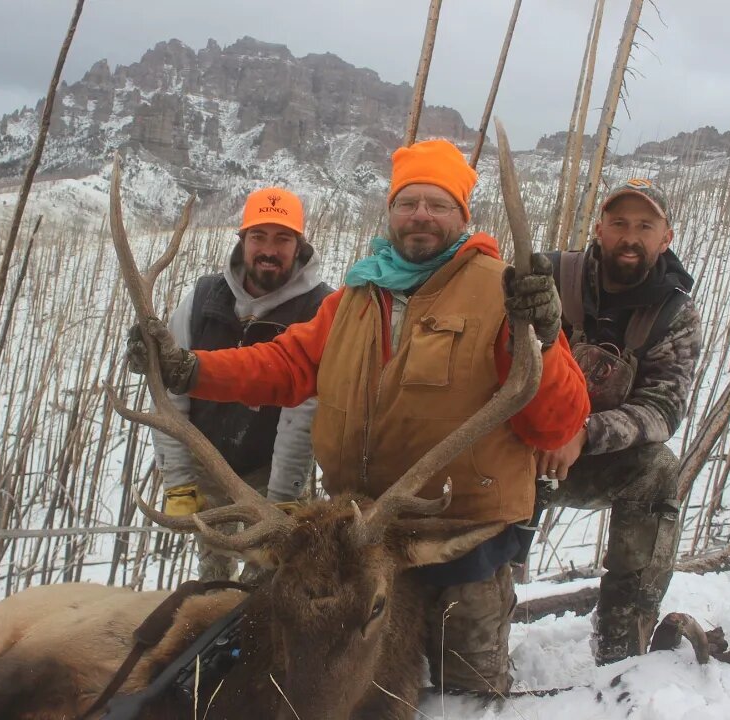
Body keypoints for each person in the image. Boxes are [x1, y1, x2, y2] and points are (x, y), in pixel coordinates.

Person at [127, 139, 590, 695]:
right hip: (356, 547)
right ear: (391, 212)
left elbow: (556, 425)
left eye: (438, 204)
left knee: (464, 697)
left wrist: (542, 339)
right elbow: (286, 364)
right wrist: (190, 370)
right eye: (408, 202)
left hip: (459, 543)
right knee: (334, 691)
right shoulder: (358, 293)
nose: (421, 214)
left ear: (462, 216)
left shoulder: (502, 292)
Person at [521, 177, 702, 666]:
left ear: (666, 238)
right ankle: (473, 623)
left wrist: (583, 435)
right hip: (515, 447)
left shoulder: (675, 315)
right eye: (619, 222)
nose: (630, 235)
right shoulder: (550, 276)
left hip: (590, 458)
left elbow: (663, 409)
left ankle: (623, 637)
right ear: (599, 228)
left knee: (658, 469)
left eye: (645, 225)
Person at [152, 187, 334, 583]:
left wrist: (283, 499)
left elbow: (302, 413)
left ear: (300, 245)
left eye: (282, 239)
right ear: (242, 241)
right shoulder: (201, 300)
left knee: (269, 577)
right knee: (212, 574)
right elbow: (171, 396)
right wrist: (180, 483)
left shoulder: (318, 310)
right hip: (207, 461)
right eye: (259, 237)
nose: (269, 250)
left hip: (270, 467)